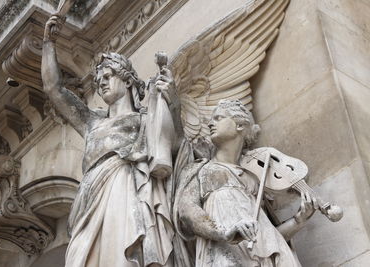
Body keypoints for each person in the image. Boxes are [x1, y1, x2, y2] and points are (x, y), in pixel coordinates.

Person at [42, 15, 175, 267]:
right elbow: (53, 89)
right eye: (98, 79)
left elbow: (170, 144)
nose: (101, 81)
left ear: (127, 80)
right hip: (90, 200)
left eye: (108, 75)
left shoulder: (144, 119)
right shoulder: (92, 122)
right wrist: (48, 44)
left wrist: (170, 97)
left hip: (123, 191)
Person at [174, 99, 317, 267]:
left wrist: (298, 220)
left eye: (218, 118)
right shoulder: (200, 170)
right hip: (226, 256)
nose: (210, 123)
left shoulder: (255, 180)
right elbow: (187, 211)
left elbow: (269, 239)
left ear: (240, 126)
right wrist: (224, 233)